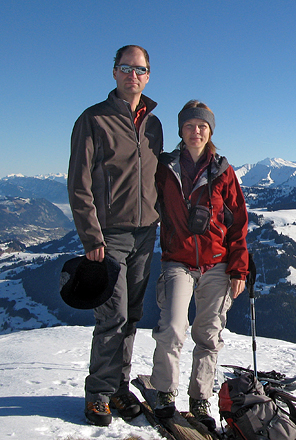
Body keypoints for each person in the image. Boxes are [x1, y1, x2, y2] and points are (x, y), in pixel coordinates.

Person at [68, 45, 163, 426]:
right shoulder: (93, 119)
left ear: (148, 76)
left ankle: (119, 387)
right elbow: (79, 183)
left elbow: (156, 176)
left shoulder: (153, 125)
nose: (132, 75)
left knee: (132, 315)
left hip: (146, 234)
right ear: (114, 72)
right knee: (113, 315)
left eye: (139, 69)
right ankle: (98, 394)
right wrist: (92, 237)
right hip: (109, 236)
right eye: (125, 68)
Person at [150, 100, 249, 430]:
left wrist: (239, 269)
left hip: (217, 264)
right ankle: (165, 391)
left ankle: (200, 397)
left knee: (208, 335)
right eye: (190, 125)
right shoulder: (165, 168)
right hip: (177, 262)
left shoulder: (222, 171)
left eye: (202, 126)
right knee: (172, 328)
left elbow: (238, 223)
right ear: (181, 130)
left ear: (210, 132)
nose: (196, 131)